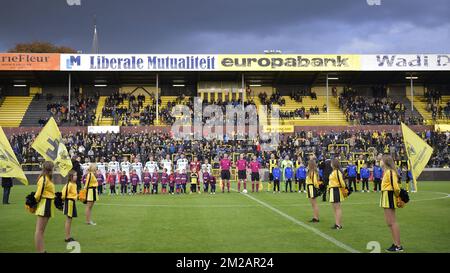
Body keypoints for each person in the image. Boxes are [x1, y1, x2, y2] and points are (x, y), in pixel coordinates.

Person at [380, 155, 404, 252]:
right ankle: (395, 243)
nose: (379, 161)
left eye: (381, 160)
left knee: (392, 222)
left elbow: (396, 187)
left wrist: (398, 196)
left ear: (385, 162)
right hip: (386, 196)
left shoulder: (390, 172)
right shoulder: (387, 172)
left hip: (389, 195)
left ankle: (398, 245)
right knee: (389, 222)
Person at [34, 161, 55, 253]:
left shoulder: (47, 178)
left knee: (41, 231)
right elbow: (38, 194)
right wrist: (34, 203)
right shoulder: (43, 179)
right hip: (44, 204)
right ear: (50, 168)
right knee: (39, 230)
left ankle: (42, 250)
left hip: (48, 204)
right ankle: (40, 251)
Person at [328, 159, 346, 230]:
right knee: (334, 209)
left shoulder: (337, 172)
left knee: (337, 208)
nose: (330, 164)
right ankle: (337, 223)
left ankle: (338, 225)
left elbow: (342, 183)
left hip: (336, 190)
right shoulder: (334, 172)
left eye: (331, 163)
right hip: (333, 190)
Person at [62, 170, 78, 242]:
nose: (76, 176)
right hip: (69, 202)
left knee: (70, 220)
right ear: (71, 177)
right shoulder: (69, 184)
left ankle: (68, 236)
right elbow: (63, 194)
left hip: (72, 202)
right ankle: (67, 237)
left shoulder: (74, 184)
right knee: (68, 220)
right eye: (75, 175)